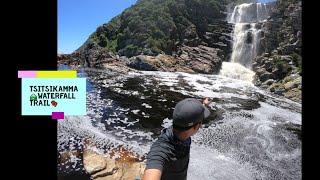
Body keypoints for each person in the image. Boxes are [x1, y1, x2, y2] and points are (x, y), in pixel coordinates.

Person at [142, 97, 211, 180]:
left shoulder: (180, 129)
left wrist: (204, 105)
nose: (201, 125)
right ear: (197, 126)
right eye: (200, 122)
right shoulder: (161, 150)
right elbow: (154, 164)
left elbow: (189, 115)